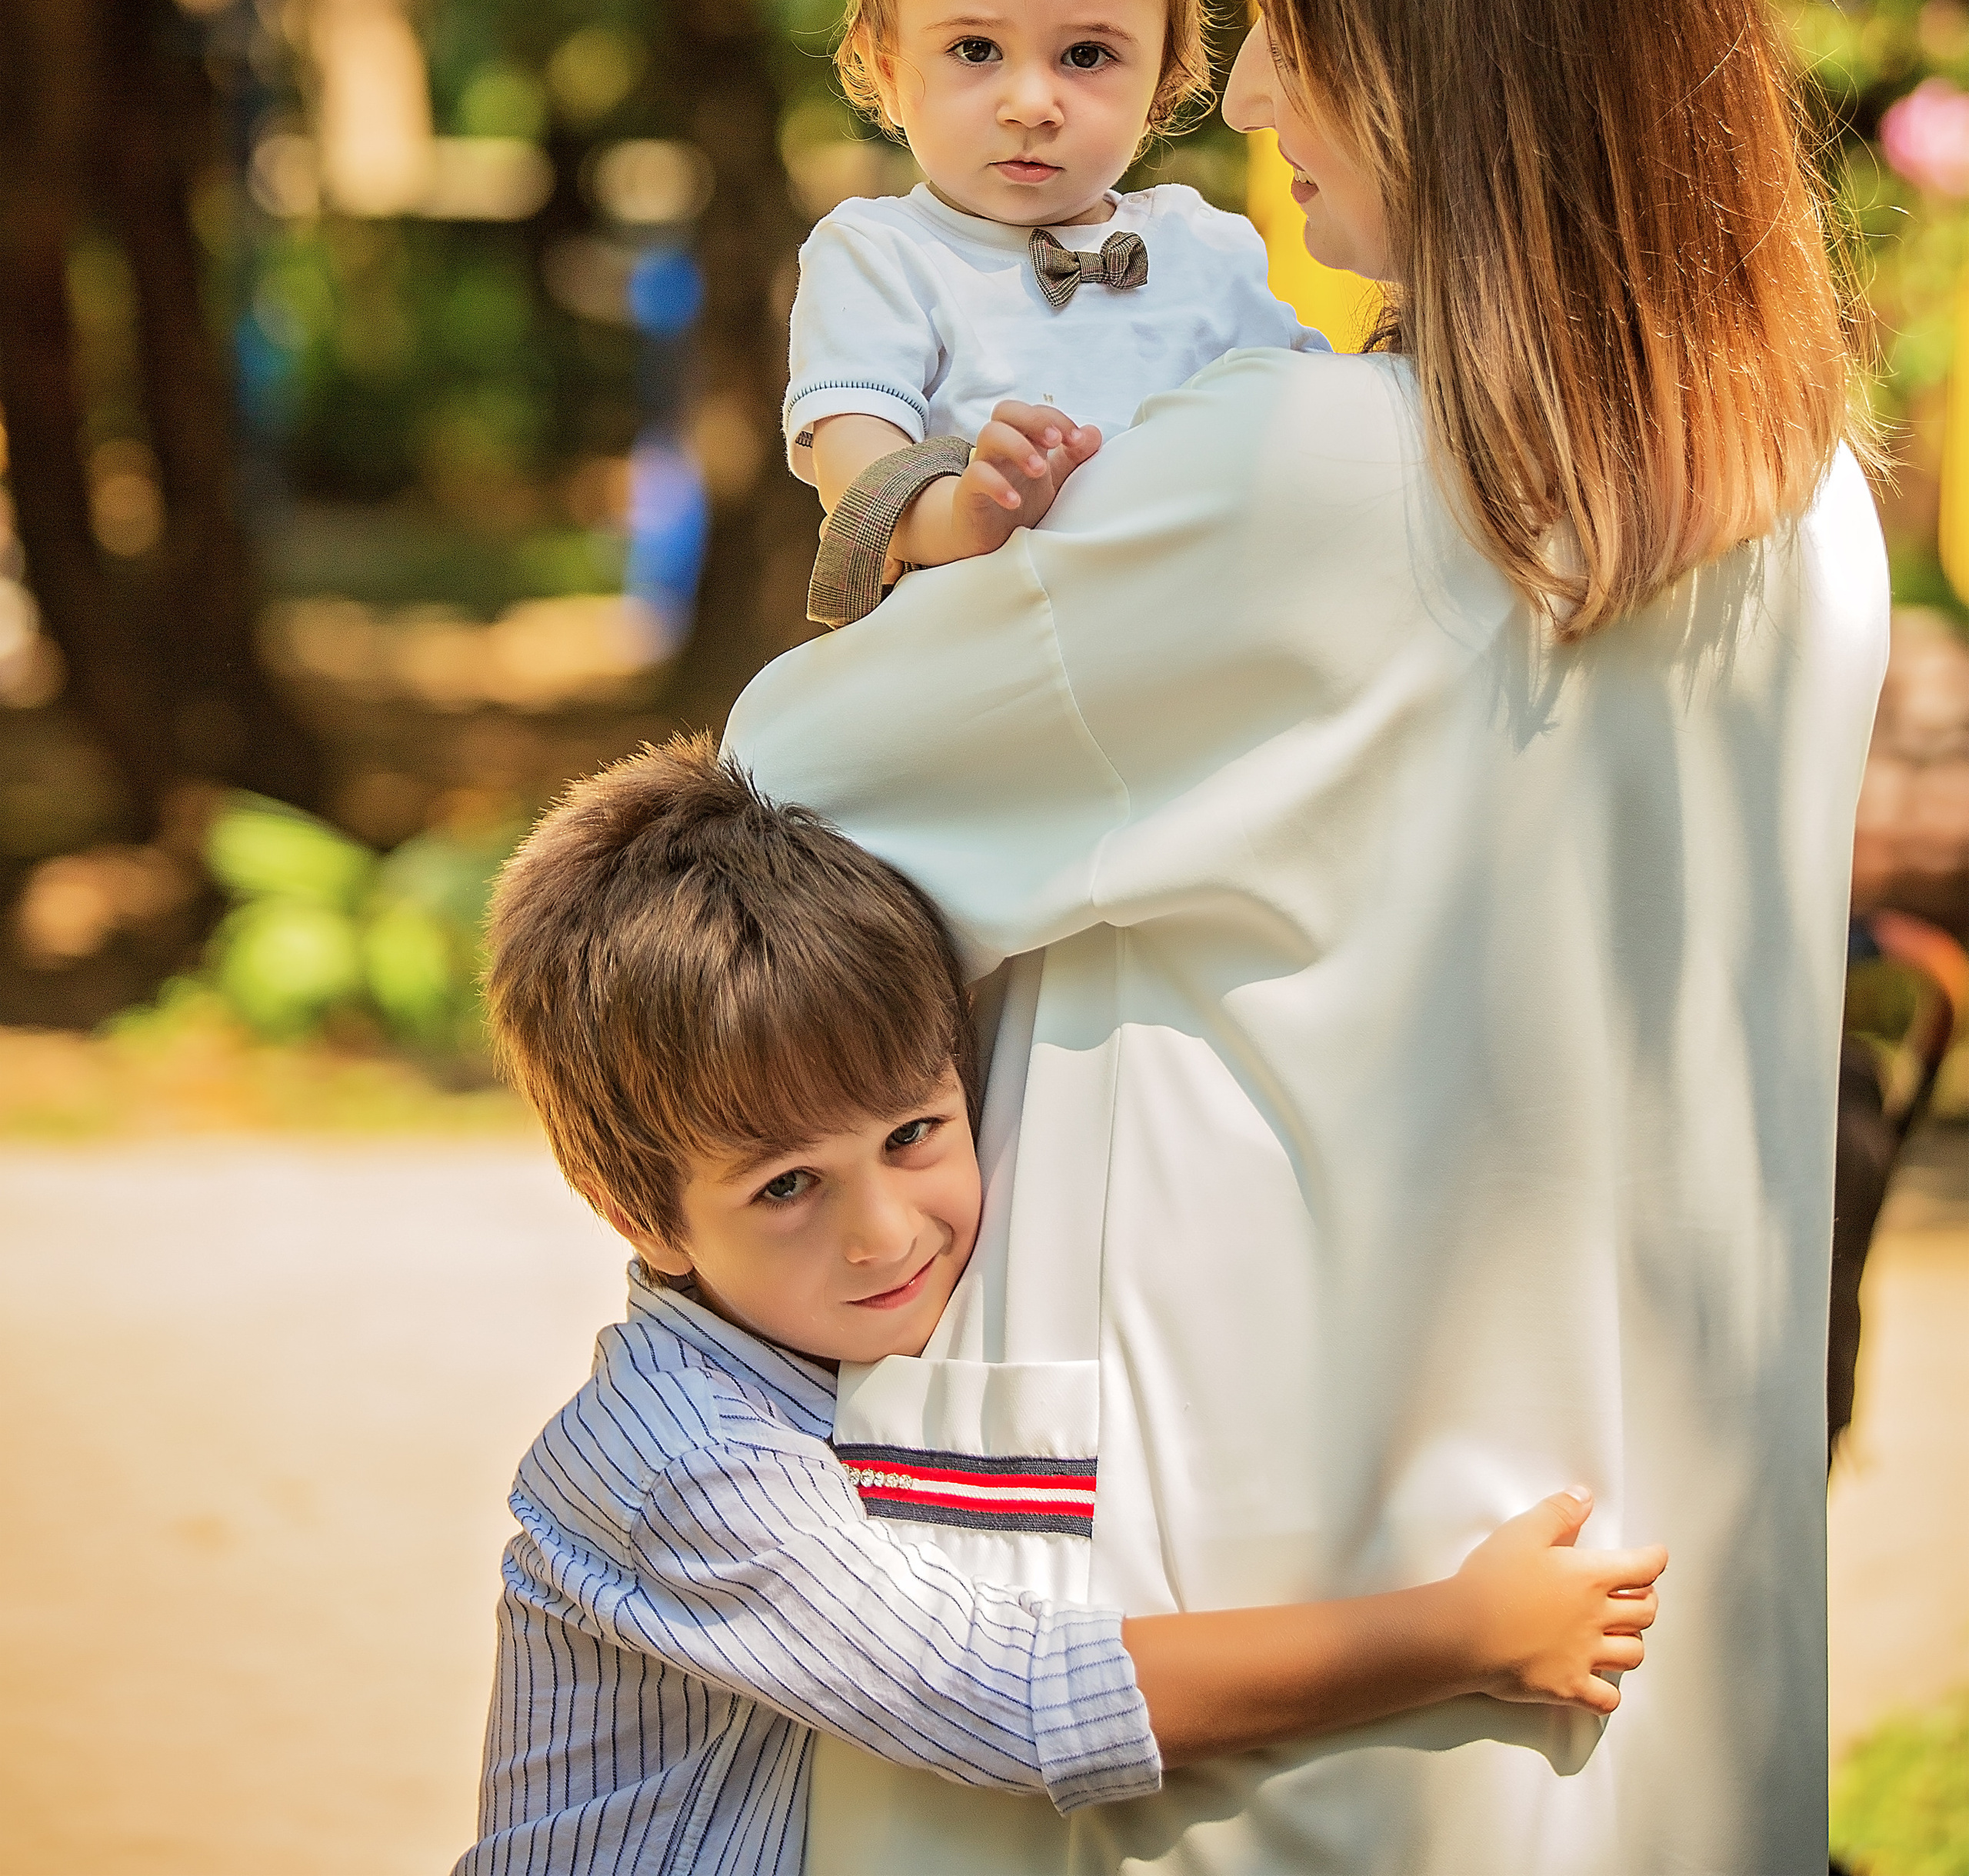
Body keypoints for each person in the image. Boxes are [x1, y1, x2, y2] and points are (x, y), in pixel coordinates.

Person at [726, 0, 1891, 1875]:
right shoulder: (1803, 503)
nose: (1245, 97)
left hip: (1270, 1642)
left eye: (1286, 27)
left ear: (1447, 66)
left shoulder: (1295, 482)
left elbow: (789, 787)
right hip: (1661, 1655)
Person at [458, 736, 1664, 1875]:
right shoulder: (682, 1459)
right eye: (787, 1187)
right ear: (642, 1218)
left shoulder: (802, 1343)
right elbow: (1015, 1699)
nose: (886, 1232)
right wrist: (1465, 1636)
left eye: (913, 1133)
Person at [783, 0, 1324, 621]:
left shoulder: (1206, 249)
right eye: (975, 50)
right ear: (887, 69)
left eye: (1085, 55)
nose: (1031, 104)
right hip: (982, 652)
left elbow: (1322, 430)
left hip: (1186, 646)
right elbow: (854, 462)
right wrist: (962, 513)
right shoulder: (882, 258)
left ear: (1164, 77)